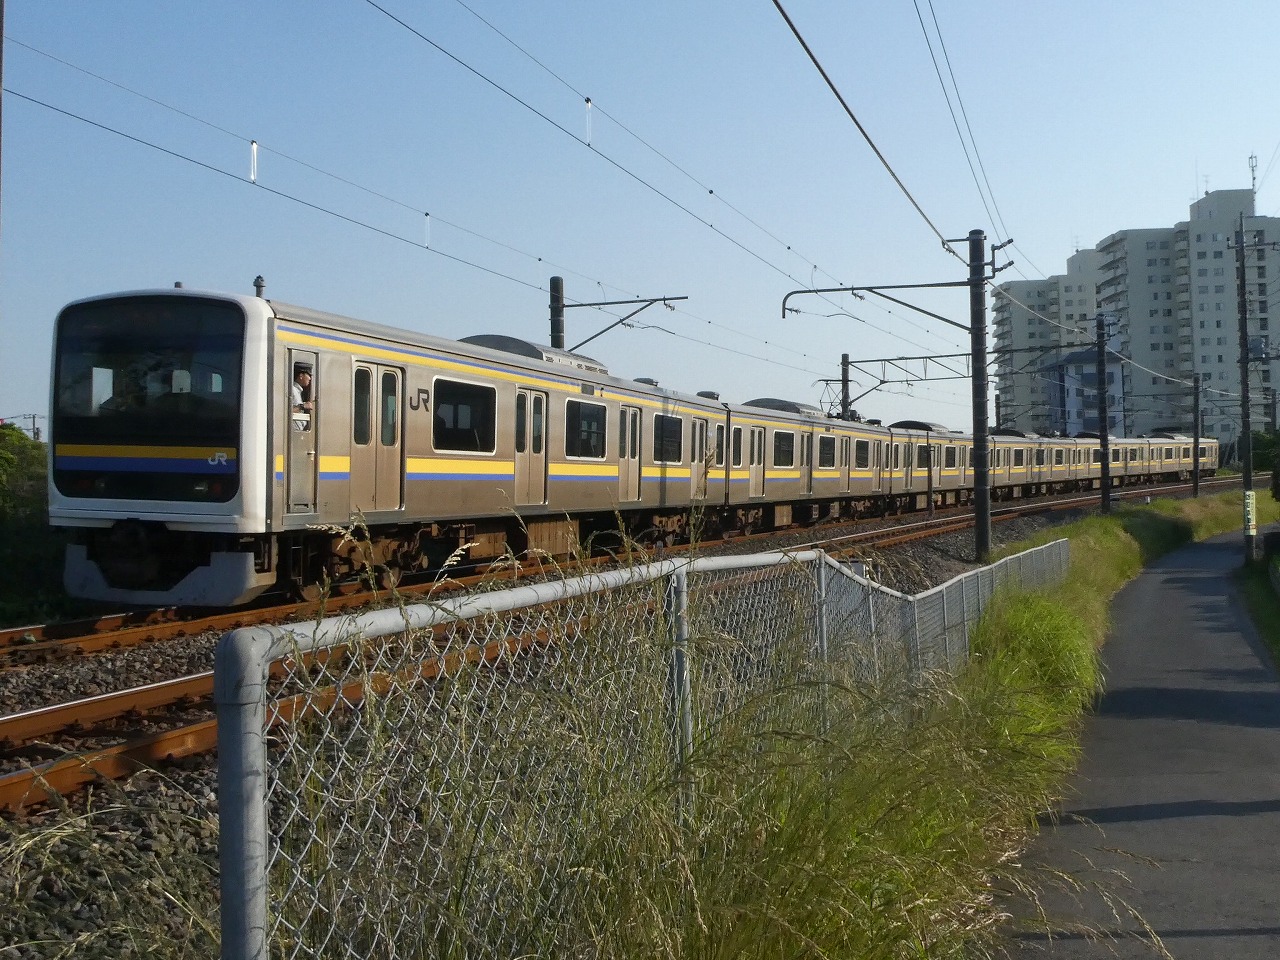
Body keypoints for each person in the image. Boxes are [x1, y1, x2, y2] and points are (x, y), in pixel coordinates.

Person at [291, 365, 313, 430]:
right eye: (308, 375)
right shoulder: (292, 390)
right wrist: (302, 406)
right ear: (301, 376)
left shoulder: (298, 391)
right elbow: (285, 412)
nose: (310, 378)